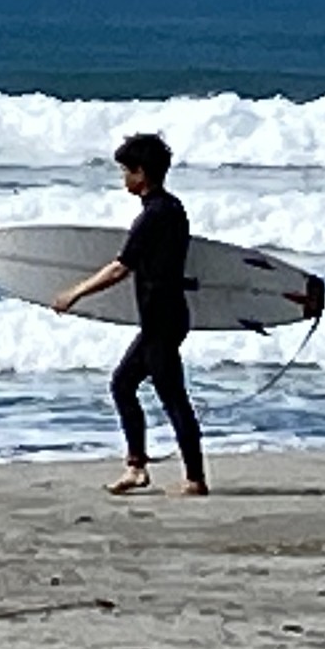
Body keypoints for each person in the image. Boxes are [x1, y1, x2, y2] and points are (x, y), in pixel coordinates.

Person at [57, 130, 207, 496]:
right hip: (168, 316)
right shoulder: (173, 209)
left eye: (126, 170)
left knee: (171, 397)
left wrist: (75, 293)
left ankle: (194, 479)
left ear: (141, 173)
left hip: (161, 320)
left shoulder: (153, 216)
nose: (124, 178)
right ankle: (138, 467)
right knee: (124, 385)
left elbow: (121, 268)